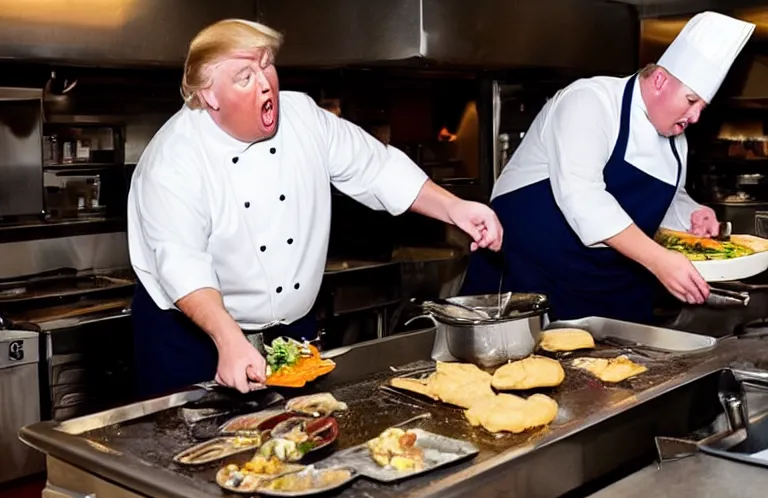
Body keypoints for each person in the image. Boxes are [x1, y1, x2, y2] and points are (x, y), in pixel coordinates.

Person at [127, 19, 503, 398]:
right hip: (194, 337)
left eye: (266, 64)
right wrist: (227, 340)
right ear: (209, 96)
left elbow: (377, 168)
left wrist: (455, 209)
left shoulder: (303, 117)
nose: (264, 83)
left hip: (290, 329)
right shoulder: (174, 159)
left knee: (299, 442)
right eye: (244, 76)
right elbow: (182, 263)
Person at [461, 11, 754, 324]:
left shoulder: (675, 141)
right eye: (691, 101)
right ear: (659, 80)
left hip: (608, 289)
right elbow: (583, 197)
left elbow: (662, 200)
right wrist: (659, 260)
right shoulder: (590, 102)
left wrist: (692, 213)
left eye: (701, 108)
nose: (695, 117)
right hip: (530, 280)